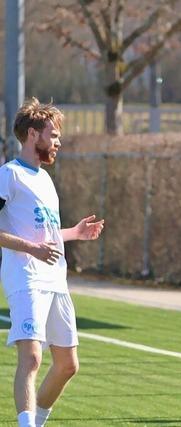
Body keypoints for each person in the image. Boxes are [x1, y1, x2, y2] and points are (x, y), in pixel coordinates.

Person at [0, 98, 105, 427]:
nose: (58, 142)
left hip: (55, 280)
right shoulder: (9, 174)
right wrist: (31, 249)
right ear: (33, 135)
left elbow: (43, 232)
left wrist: (74, 233)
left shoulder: (44, 179)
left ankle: (37, 421)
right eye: (53, 135)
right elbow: (29, 240)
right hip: (25, 278)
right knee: (31, 358)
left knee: (68, 365)